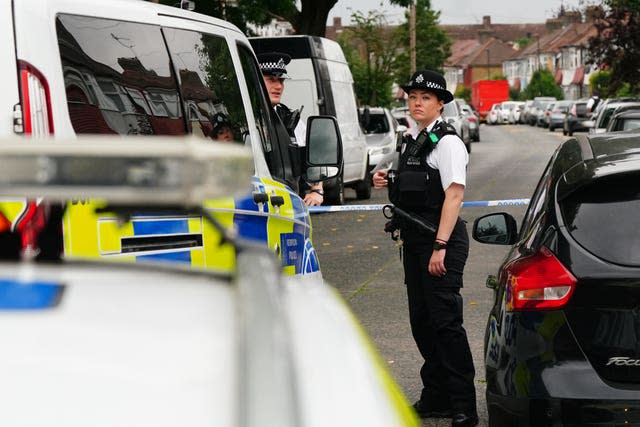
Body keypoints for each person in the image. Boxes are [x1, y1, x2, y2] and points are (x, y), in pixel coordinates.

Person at [372, 70, 478, 427]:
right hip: (416, 242)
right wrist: (387, 179)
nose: (416, 103)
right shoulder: (411, 139)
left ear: (441, 104)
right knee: (422, 323)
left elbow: (455, 195)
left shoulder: (448, 143)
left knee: (446, 324)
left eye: (425, 98)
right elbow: (414, 184)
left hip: (441, 242)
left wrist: (441, 246)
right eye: (412, 96)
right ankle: (437, 397)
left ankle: (464, 405)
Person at [257, 51, 324, 207]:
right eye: (271, 80)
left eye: (281, 80)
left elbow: (311, 160)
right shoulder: (244, 117)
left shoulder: (291, 120)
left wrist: (317, 190)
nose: (278, 86)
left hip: (289, 206)